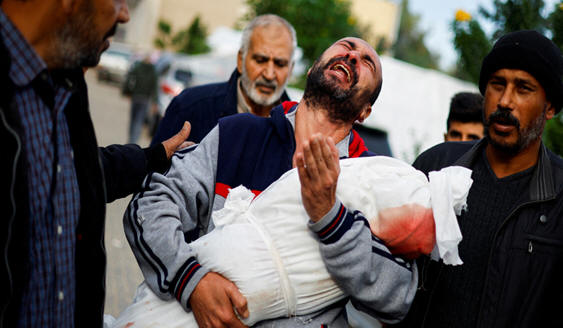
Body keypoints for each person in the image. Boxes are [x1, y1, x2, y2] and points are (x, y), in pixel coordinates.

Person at [124, 37, 419, 327]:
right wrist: (190, 279)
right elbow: (150, 205)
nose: (353, 57)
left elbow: (398, 294)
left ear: (366, 111)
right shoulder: (237, 135)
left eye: (368, 62)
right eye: (346, 47)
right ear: (312, 68)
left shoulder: (373, 180)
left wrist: (332, 220)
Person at [0, 0, 189, 326]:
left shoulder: (63, 82)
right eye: (118, 0)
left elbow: (71, 175)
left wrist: (151, 158)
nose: (125, 14)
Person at [395, 30, 563, 327]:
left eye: (523, 89)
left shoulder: (559, 197)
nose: (505, 101)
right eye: (497, 85)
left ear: (550, 107)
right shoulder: (437, 166)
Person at [151, 14, 296, 145]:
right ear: (240, 60)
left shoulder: (298, 129)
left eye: (280, 64)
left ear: (290, 70)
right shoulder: (190, 107)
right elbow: (152, 171)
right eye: (260, 60)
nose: (269, 74)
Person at [123, 54, 159, 143]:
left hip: (135, 96)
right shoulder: (153, 71)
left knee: (133, 119)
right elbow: (155, 87)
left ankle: (131, 140)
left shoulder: (138, 67)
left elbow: (129, 78)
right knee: (139, 121)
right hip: (145, 99)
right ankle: (133, 142)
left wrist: (127, 91)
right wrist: (155, 102)